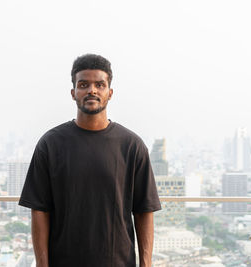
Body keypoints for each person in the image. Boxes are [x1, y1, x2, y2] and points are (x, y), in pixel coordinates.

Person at [19, 54, 161, 267]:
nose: (92, 90)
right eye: (83, 84)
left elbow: (144, 211)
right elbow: (39, 210)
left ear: (110, 93)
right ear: (73, 93)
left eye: (99, 85)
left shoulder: (132, 146)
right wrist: (42, 264)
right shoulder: (50, 144)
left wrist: (146, 263)